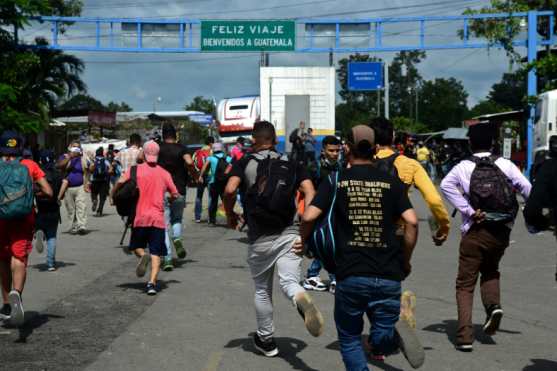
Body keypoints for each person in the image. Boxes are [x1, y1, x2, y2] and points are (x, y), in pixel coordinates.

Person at [298, 125, 424, 370]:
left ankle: (390, 335)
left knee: (350, 339)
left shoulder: (336, 180)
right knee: (381, 338)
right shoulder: (392, 182)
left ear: (347, 148)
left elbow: (309, 216)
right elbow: (411, 221)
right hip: (388, 272)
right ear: (376, 149)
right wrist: (405, 260)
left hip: (350, 272)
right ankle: (391, 334)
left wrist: (303, 241)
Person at [223, 121, 324, 357]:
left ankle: (266, 340)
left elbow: (229, 190)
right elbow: (310, 191)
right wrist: (305, 225)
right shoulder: (291, 162)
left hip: (260, 236)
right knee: (289, 281)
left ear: (254, 140)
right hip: (289, 233)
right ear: (273, 140)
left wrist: (230, 214)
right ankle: (300, 297)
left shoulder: (245, 161)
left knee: (262, 289)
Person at [440, 123, 531, 351]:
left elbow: (445, 185)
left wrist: (469, 211)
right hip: (500, 231)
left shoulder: (463, 167)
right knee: (491, 270)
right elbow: (527, 188)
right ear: (493, 142)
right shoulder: (505, 164)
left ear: (470, 143)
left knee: (465, 284)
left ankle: (464, 336)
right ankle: (493, 306)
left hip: (475, 228)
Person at [111, 141, 179, 295]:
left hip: (140, 217)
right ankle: (152, 283)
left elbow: (119, 183)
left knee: (135, 247)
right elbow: (175, 194)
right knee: (157, 253)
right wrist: (169, 199)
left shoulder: (134, 170)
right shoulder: (164, 173)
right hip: (157, 219)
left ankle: (143, 255)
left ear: (144, 154)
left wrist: (112, 196)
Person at [0, 131, 53, 326]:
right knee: (19, 257)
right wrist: (31, 191)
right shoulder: (30, 165)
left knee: (3, 260)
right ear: (20, 148)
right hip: (24, 218)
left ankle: (6, 303)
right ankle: (17, 294)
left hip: (1, 220)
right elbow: (48, 191)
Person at [371, 117, 450, 247]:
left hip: (363, 231)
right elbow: (434, 200)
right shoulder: (410, 164)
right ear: (393, 136)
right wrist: (443, 227)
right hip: (396, 230)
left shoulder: (358, 163)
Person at [303, 135, 342, 293]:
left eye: (337, 150)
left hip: (335, 211)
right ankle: (328, 278)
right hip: (319, 211)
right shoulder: (314, 167)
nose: (334, 153)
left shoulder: (340, 166)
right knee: (325, 244)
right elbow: (304, 187)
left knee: (328, 245)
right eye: (331, 150)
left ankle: (318, 276)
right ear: (324, 150)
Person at [157, 123, 196, 271]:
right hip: (179, 190)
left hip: (161, 191)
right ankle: (177, 238)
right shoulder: (182, 148)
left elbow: (142, 157)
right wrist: (195, 175)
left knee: (164, 226)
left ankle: (167, 258)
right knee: (177, 219)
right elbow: (189, 162)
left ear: (163, 135)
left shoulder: (158, 148)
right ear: (175, 135)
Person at [35, 150, 63, 272]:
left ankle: (39, 231)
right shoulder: (58, 173)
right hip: (54, 208)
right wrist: (59, 197)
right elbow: (65, 183)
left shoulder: (39, 173)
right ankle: (50, 264)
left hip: (41, 207)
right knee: (52, 237)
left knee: (41, 224)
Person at [56, 142, 90, 235]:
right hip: (68, 187)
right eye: (74, 147)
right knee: (71, 208)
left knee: (81, 206)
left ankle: (81, 225)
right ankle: (74, 225)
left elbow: (89, 169)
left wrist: (89, 159)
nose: (75, 149)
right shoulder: (64, 157)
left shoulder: (82, 158)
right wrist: (70, 157)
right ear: (69, 148)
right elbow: (59, 166)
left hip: (80, 186)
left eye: (77, 148)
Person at [198, 142, 231, 226]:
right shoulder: (228, 158)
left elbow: (204, 168)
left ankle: (212, 221)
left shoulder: (210, 158)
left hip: (214, 183)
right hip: (225, 183)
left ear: (213, 149)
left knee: (213, 202)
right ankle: (230, 219)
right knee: (226, 202)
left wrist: (201, 176)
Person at [193, 136, 214, 223]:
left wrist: (197, 175)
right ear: (210, 143)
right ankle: (210, 217)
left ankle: (198, 217)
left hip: (200, 176)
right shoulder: (212, 152)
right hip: (209, 176)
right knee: (211, 197)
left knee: (199, 196)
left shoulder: (197, 152)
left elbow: (193, 164)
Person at [89, 147, 113, 217]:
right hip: (103, 181)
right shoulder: (105, 161)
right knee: (102, 198)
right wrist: (107, 173)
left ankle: (94, 200)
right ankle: (99, 211)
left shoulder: (93, 160)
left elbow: (90, 169)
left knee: (94, 193)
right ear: (102, 153)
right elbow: (111, 169)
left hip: (94, 181)